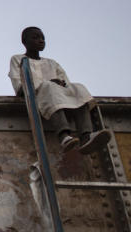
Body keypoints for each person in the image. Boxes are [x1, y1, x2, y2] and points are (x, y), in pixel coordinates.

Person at [9, 26, 111, 154]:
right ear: (24, 41)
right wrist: (47, 84)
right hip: (37, 96)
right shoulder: (18, 59)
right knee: (49, 87)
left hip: (58, 96)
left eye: (42, 38)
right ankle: (64, 136)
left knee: (78, 88)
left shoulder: (52, 63)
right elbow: (19, 85)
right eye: (35, 38)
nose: (41, 41)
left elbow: (65, 83)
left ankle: (86, 135)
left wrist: (60, 84)